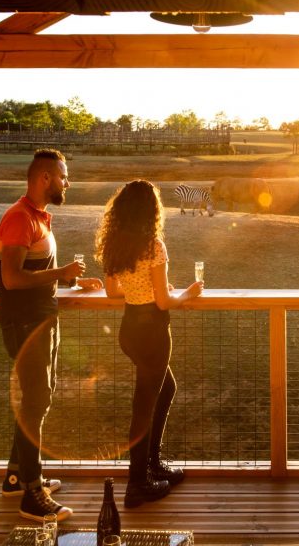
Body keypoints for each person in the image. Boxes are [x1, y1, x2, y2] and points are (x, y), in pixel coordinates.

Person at [0, 148, 102, 522]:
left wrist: (72, 280)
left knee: (36, 400)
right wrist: (61, 274)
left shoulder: (38, 218)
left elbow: (38, 274)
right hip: (25, 325)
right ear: (45, 178)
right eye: (63, 175)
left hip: (41, 320)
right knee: (37, 403)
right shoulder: (18, 218)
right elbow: (12, 279)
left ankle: (14, 476)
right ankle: (31, 492)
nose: (67, 182)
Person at [94, 180, 203, 508]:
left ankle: (152, 465)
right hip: (153, 332)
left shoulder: (115, 244)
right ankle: (137, 484)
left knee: (164, 390)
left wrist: (145, 287)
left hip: (130, 330)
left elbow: (114, 291)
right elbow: (164, 301)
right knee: (143, 408)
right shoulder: (154, 246)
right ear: (151, 211)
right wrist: (187, 293)